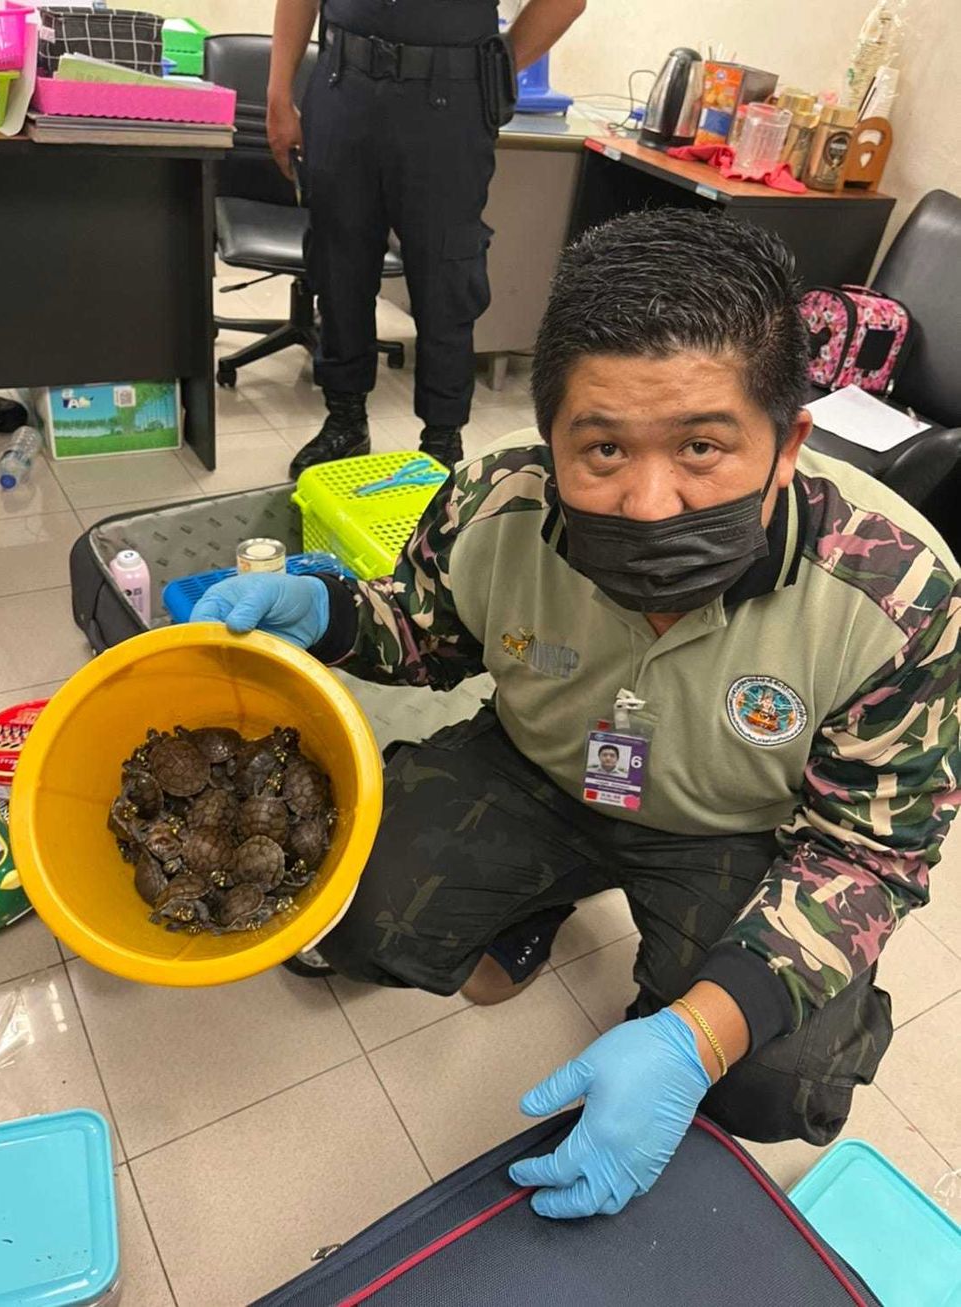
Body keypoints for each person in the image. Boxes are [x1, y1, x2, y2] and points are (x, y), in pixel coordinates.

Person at [193, 209, 961, 1220]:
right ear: (549, 438)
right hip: (536, 770)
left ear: (787, 446)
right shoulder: (496, 499)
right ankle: (529, 913)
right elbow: (421, 630)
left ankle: (675, 1015)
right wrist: (327, 606)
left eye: (702, 445)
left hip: (735, 828)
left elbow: (869, 853)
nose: (648, 501)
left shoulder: (898, 595)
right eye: (600, 449)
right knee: (350, 909)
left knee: (775, 1073)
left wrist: (698, 1034)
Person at [268, 0, 586, 477]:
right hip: (342, 89)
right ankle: (345, 419)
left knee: (447, 278)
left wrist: (491, 68)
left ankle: (441, 442)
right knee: (338, 266)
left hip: (449, 105)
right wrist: (278, 93)